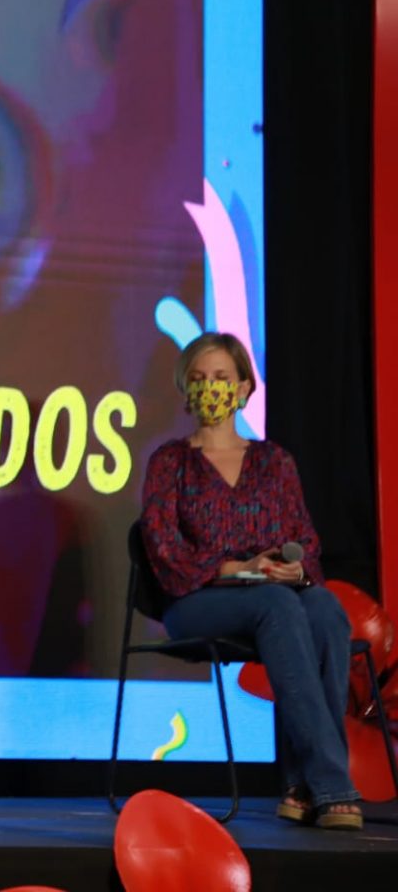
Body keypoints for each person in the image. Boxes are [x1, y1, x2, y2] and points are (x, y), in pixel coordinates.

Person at [141, 332, 362, 830]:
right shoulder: (169, 463)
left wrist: (294, 568)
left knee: (324, 608)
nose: (210, 388)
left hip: (271, 595)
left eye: (221, 378)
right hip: (197, 601)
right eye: (198, 379)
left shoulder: (274, 462)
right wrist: (236, 570)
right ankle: (332, 783)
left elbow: (305, 539)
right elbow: (164, 552)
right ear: (184, 391)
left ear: (243, 388)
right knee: (278, 606)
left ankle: (298, 786)